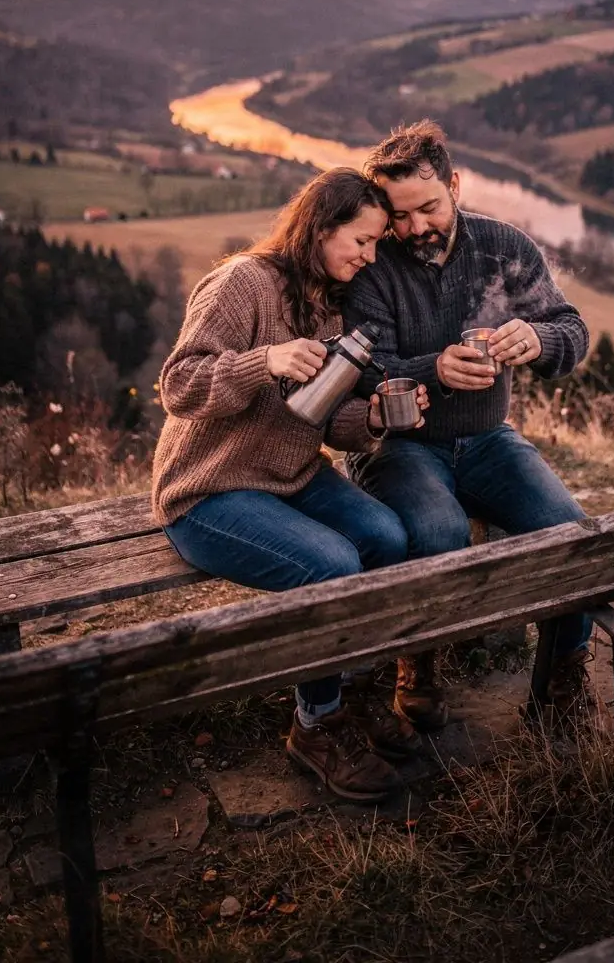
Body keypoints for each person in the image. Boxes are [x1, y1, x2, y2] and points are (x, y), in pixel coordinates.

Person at [152, 167, 428, 802]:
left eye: (377, 243)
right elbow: (179, 386)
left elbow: (326, 419)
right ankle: (316, 724)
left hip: (293, 476)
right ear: (320, 225)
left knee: (387, 536)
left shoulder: (330, 302)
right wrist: (262, 360)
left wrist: (378, 416)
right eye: (361, 240)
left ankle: (351, 690)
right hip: (208, 491)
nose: (369, 256)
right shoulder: (240, 284)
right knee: (330, 565)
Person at [344, 121, 596, 735]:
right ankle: (418, 664)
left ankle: (563, 675)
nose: (414, 229)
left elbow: (573, 330)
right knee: (438, 531)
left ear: (455, 185)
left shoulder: (504, 246)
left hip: (488, 439)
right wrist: (434, 370)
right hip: (400, 446)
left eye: (427, 207)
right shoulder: (375, 263)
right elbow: (358, 368)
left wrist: (538, 338)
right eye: (398, 216)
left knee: (570, 534)